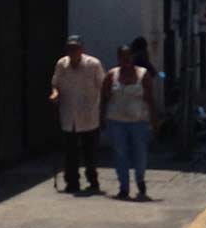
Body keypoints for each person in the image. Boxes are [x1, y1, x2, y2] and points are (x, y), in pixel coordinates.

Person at [50, 35, 104, 195]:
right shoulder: (62, 64)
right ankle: (72, 182)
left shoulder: (93, 64)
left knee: (90, 153)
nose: (73, 52)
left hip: (89, 114)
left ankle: (93, 181)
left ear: (82, 50)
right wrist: (54, 94)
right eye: (70, 49)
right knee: (70, 153)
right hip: (69, 115)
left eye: (76, 49)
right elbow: (55, 84)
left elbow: (102, 86)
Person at [101, 46, 158, 200]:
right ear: (118, 59)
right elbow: (104, 98)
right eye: (122, 58)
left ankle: (140, 179)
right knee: (120, 154)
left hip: (138, 121)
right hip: (116, 121)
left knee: (140, 154)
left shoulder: (142, 75)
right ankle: (124, 186)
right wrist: (101, 119)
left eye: (128, 57)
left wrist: (154, 121)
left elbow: (150, 99)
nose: (126, 61)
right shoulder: (111, 75)